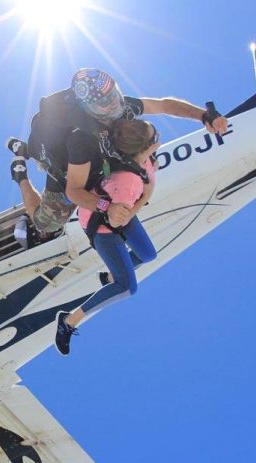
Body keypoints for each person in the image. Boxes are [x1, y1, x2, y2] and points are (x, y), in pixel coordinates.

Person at [7, 68, 229, 239]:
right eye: (106, 103)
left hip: (97, 158)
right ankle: (20, 171)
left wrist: (203, 116)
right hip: (67, 169)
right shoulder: (82, 138)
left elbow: (164, 106)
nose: (114, 105)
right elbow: (74, 191)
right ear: (90, 108)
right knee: (48, 222)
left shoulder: (122, 107)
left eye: (114, 95)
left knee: (144, 154)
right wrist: (106, 207)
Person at [52, 117, 161, 356]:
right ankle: (69, 321)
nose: (159, 138)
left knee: (148, 254)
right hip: (102, 226)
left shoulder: (137, 157)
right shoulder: (129, 182)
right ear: (147, 147)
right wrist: (145, 196)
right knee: (127, 287)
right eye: (156, 137)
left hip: (118, 209)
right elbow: (116, 221)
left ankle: (109, 275)